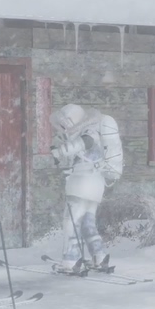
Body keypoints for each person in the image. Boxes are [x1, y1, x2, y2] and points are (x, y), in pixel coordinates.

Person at [49, 103, 123, 274]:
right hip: (94, 183)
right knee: (87, 223)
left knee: (71, 222)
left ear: (72, 120)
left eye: (65, 122)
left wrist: (61, 151)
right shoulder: (89, 130)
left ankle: (71, 260)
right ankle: (99, 257)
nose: (63, 126)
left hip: (82, 183)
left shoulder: (89, 131)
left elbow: (85, 143)